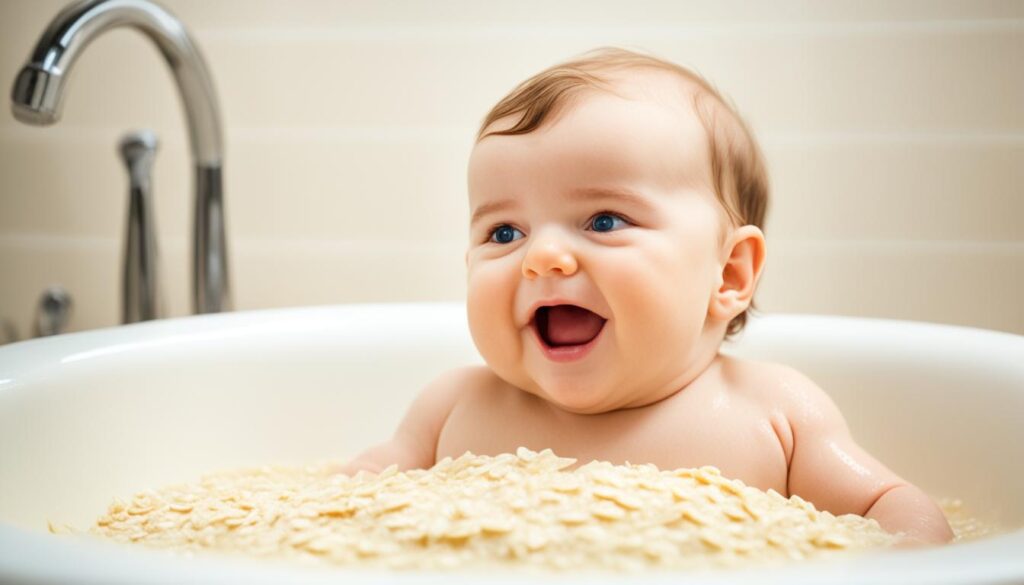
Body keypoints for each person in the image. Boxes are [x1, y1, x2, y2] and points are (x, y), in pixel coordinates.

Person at [341, 48, 953, 545]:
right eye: (505, 232)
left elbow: (888, 504)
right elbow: (353, 495)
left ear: (730, 274)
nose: (542, 256)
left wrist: (906, 552)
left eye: (604, 220)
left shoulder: (773, 414)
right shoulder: (453, 407)